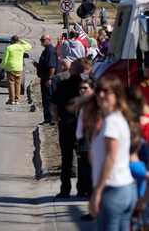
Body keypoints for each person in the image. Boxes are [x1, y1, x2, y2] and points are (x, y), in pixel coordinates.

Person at [89, 75, 136, 229]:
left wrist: (98, 191)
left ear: (116, 95)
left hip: (112, 189)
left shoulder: (111, 123)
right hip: (126, 189)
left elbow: (111, 157)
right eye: (98, 91)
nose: (101, 95)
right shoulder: (117, 119)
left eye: (106, 91)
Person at [51, 58, 92, 198]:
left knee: (67, 158)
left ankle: (65, 189)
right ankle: (82, 189)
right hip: (83, 125)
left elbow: (54, 105)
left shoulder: (63, 84)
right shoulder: (87, 86)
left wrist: (57, 119)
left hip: (67, 124)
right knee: (83, 158)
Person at [75, 78, 95, 211]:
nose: (82, 91)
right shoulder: (81, 103)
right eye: (81, 88)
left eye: (85, 88)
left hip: (91, 139)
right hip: (82, 139)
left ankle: (90, 191)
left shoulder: (94, 104)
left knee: (88, 166)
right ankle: (82, 190)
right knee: (82, 164)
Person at [0, 35, 32, 105]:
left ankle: (11, 99)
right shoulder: (21, 47)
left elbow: (5, 59)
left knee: (11, 83)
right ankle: (17, 100)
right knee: (18, 84)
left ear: (12, 41)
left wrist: (2, 67)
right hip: (19, 68)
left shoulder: (9, 48)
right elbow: (29, 46)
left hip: (11, 68)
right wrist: (21, 41)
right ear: (17, 40)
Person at [34, 34, 57, 124]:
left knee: (49, 98)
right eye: (41, 40)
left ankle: (51, 118)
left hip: (48, 79)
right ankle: (47, 118)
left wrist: (50, 78)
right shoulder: (46, 50)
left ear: (49, 40)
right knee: (45, 99)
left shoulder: (50, 51)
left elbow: (52, 66)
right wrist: (38, 66)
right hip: (44, 78)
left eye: (43, 40)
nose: (42, 42)